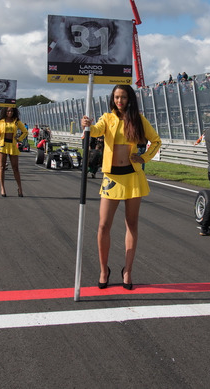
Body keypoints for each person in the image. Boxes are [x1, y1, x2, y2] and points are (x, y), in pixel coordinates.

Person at [81, 84, 162, 290]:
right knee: (103, 225)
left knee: (131, 225)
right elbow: (97, 130)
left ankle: (128, 271)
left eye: (123, 97)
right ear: (112, 99)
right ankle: (103, 270)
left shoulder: (138, 120)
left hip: (133, 177)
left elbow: (156, 141)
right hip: (112, 178)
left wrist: (143, 157)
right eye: (116, 97)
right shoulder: (107, 118)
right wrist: (87, 125)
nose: (119, 101)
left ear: (130, 99)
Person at [0, 106, 27, 196]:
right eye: (8, 111)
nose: (10, 112)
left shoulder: (16, 121)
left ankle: (20, 188)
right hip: (2, 145)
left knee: (15, 168)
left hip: (12, 145)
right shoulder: (1, 122)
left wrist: (19, 139)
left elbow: (25, 131)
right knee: (2, 167)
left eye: (12, 111)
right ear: (5, 111)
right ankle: (2, 188)